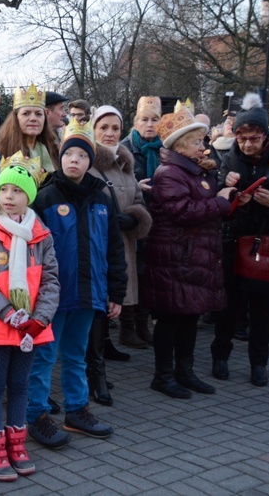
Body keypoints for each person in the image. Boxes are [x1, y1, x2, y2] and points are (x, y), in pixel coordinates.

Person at [26, 118, 126, 449]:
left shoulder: (102, 199)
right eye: (69, 154)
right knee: (43, 356)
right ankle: (35, 414)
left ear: (90, 161)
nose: (74, 160)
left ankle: (76, 410)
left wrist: (116, 292)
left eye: (82, 156)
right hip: (52, 296)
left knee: (76, 354)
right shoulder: (46, 197)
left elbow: (114, 247)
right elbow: (32, 251)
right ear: (61, 158)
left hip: (89, 292)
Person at [0, 153, 59, 481]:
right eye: (4, 189)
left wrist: (39, 318)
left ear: (29, 196)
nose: (8, 196)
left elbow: (50, 281)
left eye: (17, 191)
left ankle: (16, 444)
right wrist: (8, 312)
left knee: (20, 384)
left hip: (29, 327)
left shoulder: (41, 235)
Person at [143, 105, 233, 399]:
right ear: (180, 145)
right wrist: (219, 202)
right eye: (197, 142)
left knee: (190, 315)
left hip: (192, 256)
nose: (203, 146)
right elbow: (183, 212)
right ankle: (163, 375)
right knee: (171, 318)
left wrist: (229, 199)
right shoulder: (169, 173)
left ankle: (185, 372)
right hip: (175, 257)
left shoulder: (192, 171)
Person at [211, 93, 269, 387]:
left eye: (253, 138)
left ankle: (258, 363)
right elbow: (218, 203)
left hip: (267, 245)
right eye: (241, 137)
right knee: (228, 306)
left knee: (262, 308)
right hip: (234, 241)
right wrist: (230, 191)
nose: (247, 144)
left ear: (265, 135)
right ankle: (219, 356)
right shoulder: (228, 158)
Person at [87, 105, 152, 406]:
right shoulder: (88, 162)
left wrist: (135, 216)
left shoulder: (126, 164)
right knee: (95, 311)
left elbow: (138, 198)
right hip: (95, 248)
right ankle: (93, 372)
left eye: (115, 128)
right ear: (93, 129)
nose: (110, 133)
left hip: (121, 247)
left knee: (108, 308)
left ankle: (98, 361)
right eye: (104, 127)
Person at [120, 96, 163, 350]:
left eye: (154, 119)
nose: (149, 124)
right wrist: (135, 188)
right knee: (132, 273)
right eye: (144, 119)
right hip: (134, 220)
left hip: (159, 220)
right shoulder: (126, 148)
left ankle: (143, 324)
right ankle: (127, 327)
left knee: (148, 274)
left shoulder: (164, 148)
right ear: (135, 122)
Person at [0, 84, 58, 172]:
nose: (33, 118)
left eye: (38, 114)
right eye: (26, 113)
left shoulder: (51, 148)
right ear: (16, 118)